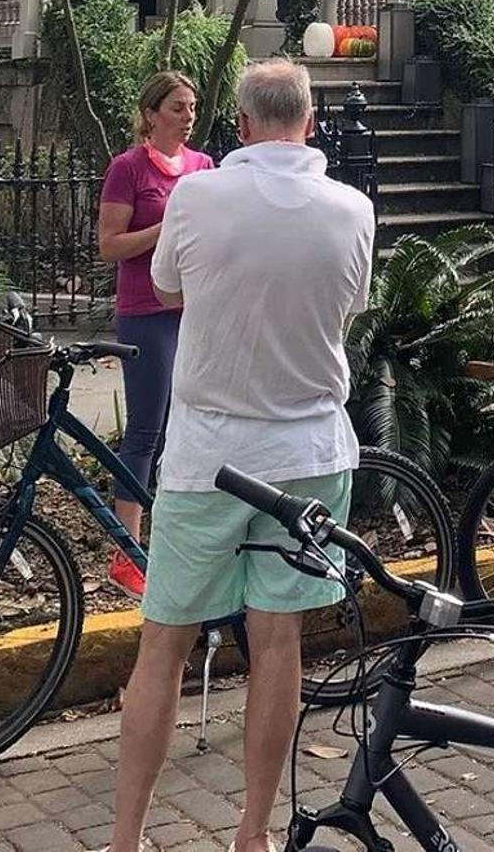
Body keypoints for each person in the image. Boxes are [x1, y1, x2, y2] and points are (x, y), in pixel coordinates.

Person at [107, 58, 375, 852]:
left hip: (209, 455)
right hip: (309, 450)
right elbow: (347, 308)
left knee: (165, 637)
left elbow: (168, 286)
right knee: (278, 640)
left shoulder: (197, 194)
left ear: (244, 127)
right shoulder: (352, 209)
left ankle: (127, 839)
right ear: (312, 123)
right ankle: (252, 831)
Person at [95, 71, 217, 599]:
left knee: (190, 423)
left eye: (191, 108)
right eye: (176, 108)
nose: (187, 117)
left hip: (196, 307)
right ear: (150, 114)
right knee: (146, 428)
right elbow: (110, 246)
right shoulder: (128, 169)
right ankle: (126, 551)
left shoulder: (203, 168)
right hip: (146, 310)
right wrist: (165, 231)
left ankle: (178, 536)